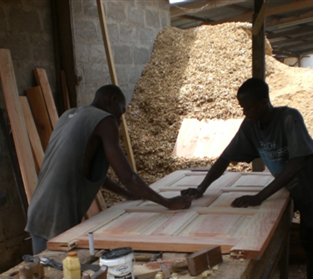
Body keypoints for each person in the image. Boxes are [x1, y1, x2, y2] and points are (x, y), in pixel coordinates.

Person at [181, 78, 313, 279]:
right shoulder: (252, 126)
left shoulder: (289, 118)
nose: (244, 113)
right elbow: (225, 157)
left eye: (247, 107)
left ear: (262, 102)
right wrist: (202, 187)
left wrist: (260, 196)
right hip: (301, 193)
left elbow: (297, 162)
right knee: (311, 247)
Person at [26, 84, 191, 254]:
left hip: (38, 209)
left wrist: (126, 193)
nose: (121, 117)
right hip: (58, 212)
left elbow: (89, 173)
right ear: (112, 100)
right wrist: (167, 202)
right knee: (60, 269)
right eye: (122, 110)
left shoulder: (69, 115)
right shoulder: (105, 120)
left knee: (45, 268)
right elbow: (128, 177)